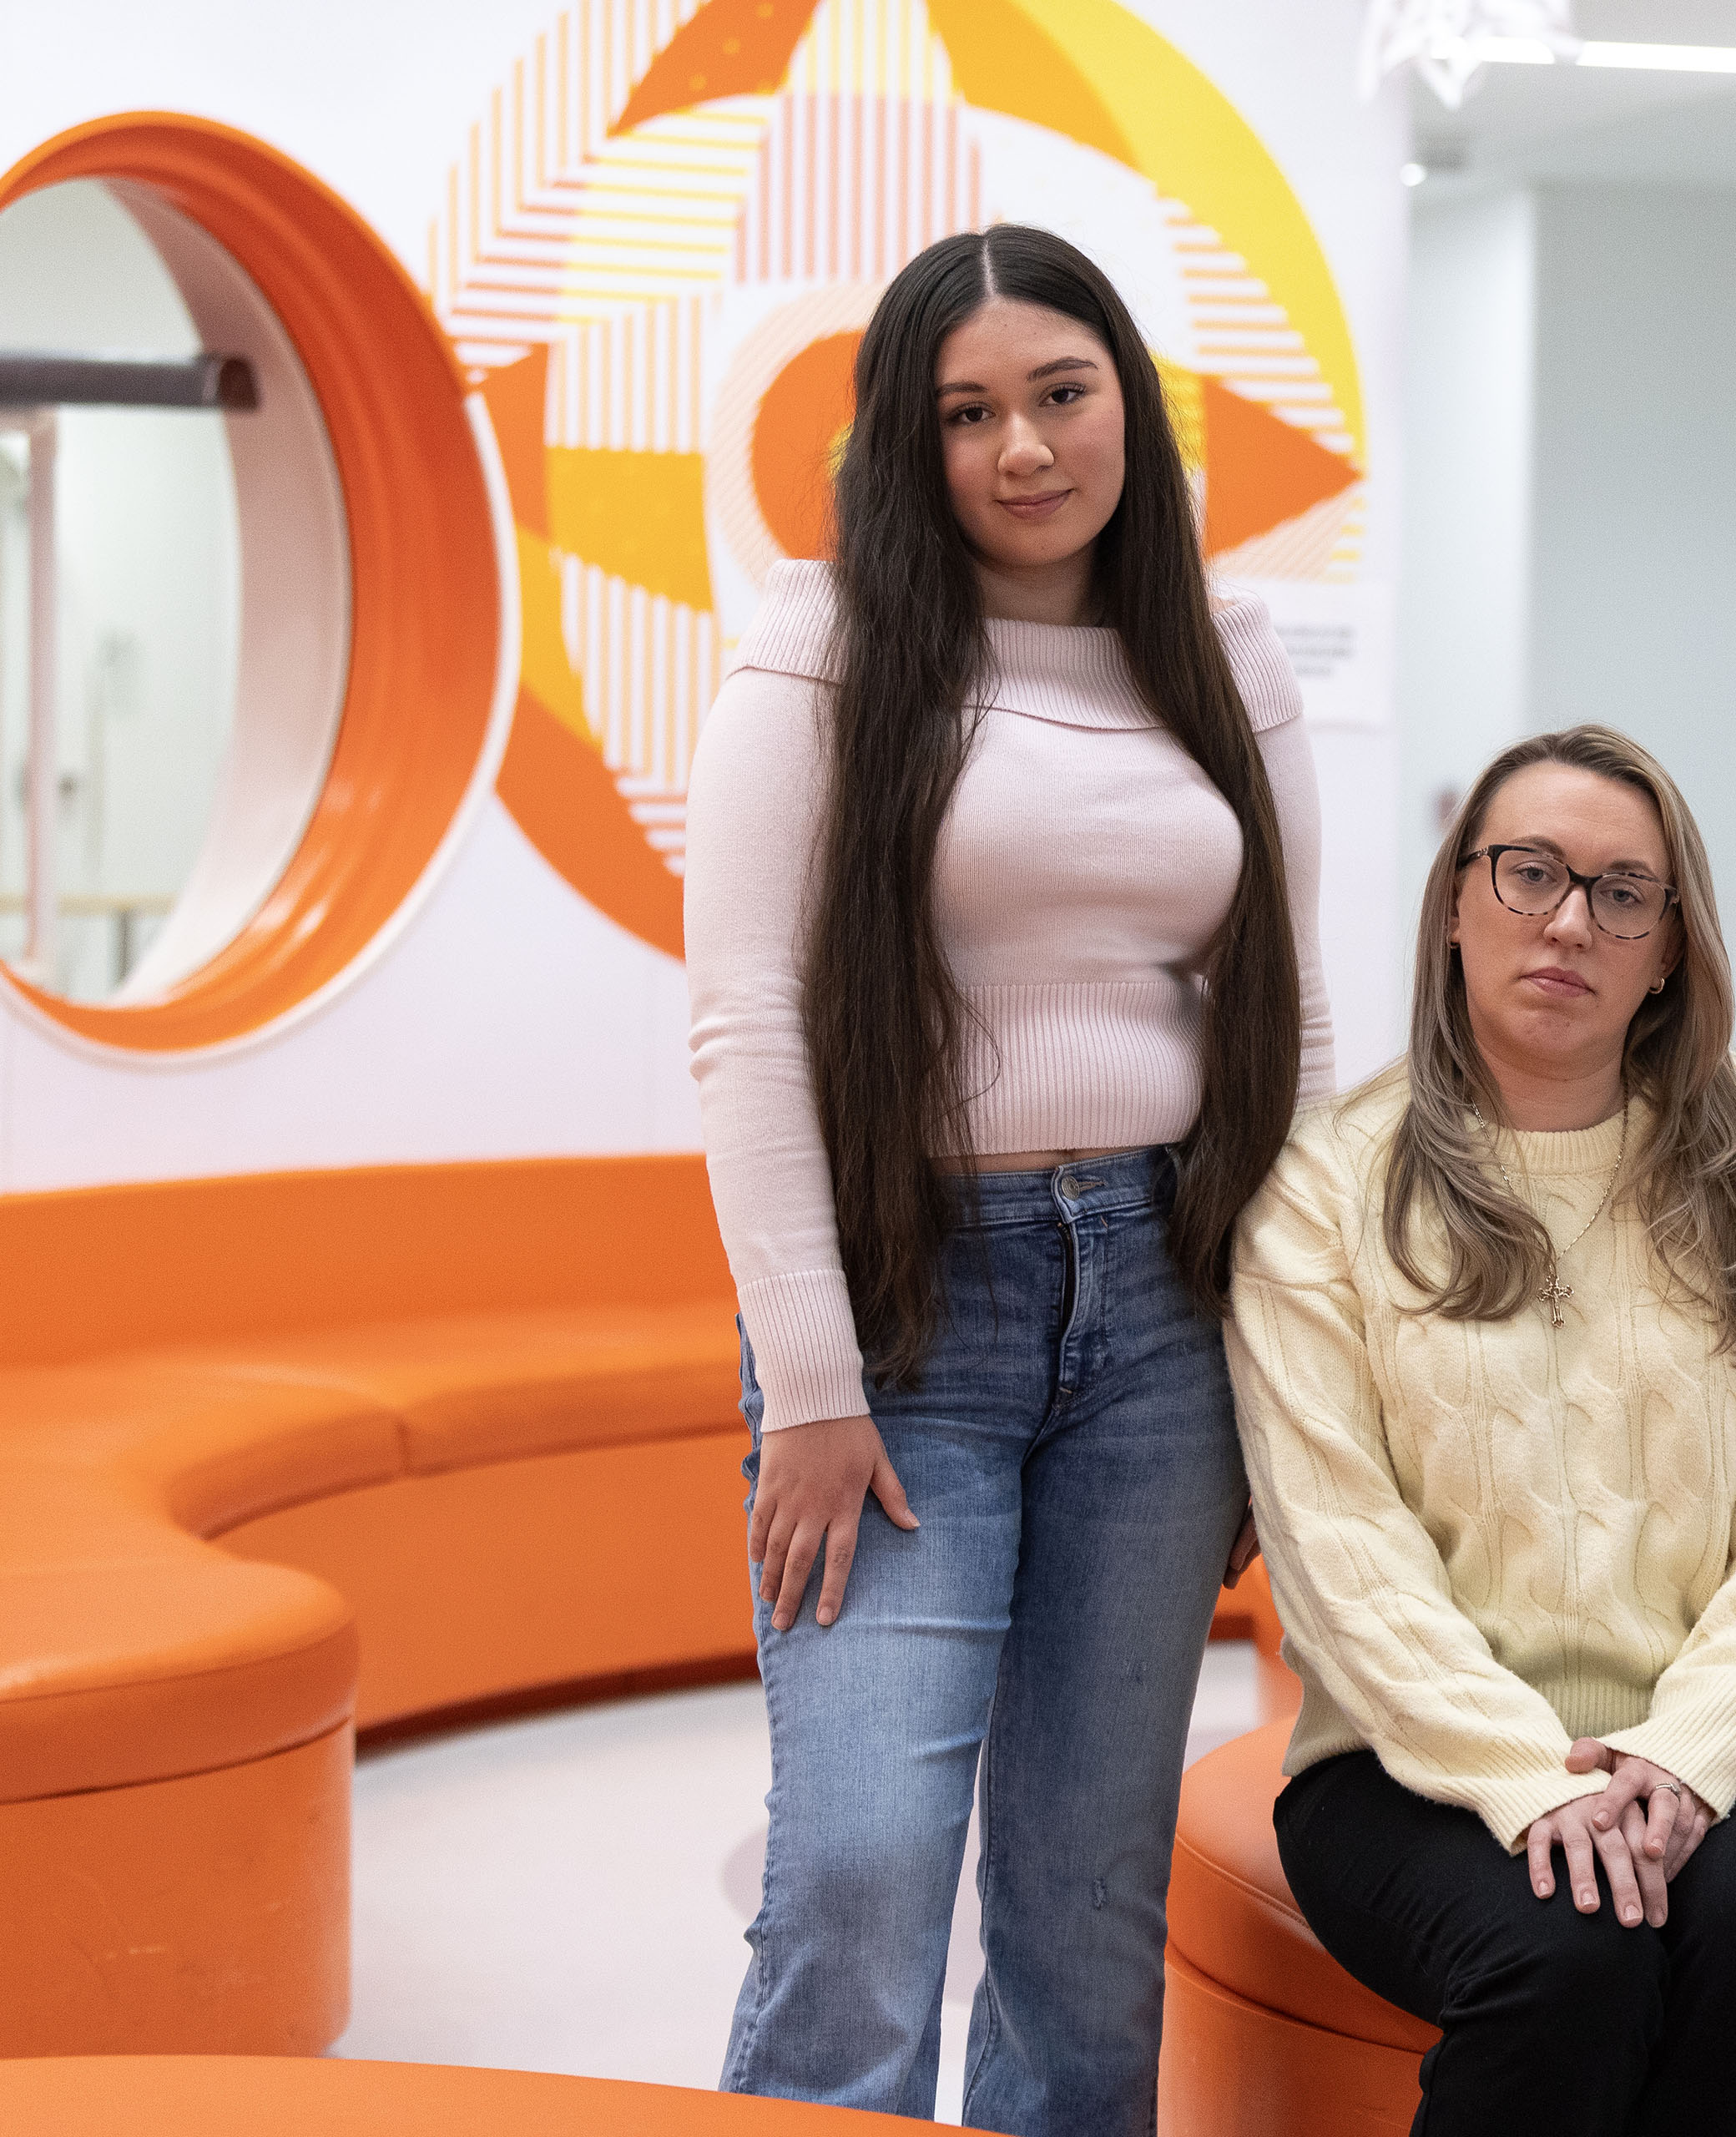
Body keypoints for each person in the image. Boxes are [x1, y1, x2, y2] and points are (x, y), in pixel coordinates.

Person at [681, 222, 1331, 2129]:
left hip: (1161, 1313)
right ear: (909, 438)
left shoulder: (1224, 650)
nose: (1026, 446)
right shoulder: (830, 646)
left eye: (1061, 391)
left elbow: (1285, 1030)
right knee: (863, 1862)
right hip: (906, 1312)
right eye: (968, 413)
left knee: (1080, 1899)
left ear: (1125, 393)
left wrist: (1286, 1376)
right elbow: (745, 1017)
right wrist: (807, 1381)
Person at [1225, 725, 1736, 2137]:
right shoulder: (1325, 1184)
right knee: (1569, 1956)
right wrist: (1531, 1784)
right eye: (1529, 874)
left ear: (1668, 947)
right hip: (1408, 1763)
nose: (1570, 921)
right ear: (1455, 904)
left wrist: (1692, 1750)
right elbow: (1338, 1546)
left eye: (1622, 892)